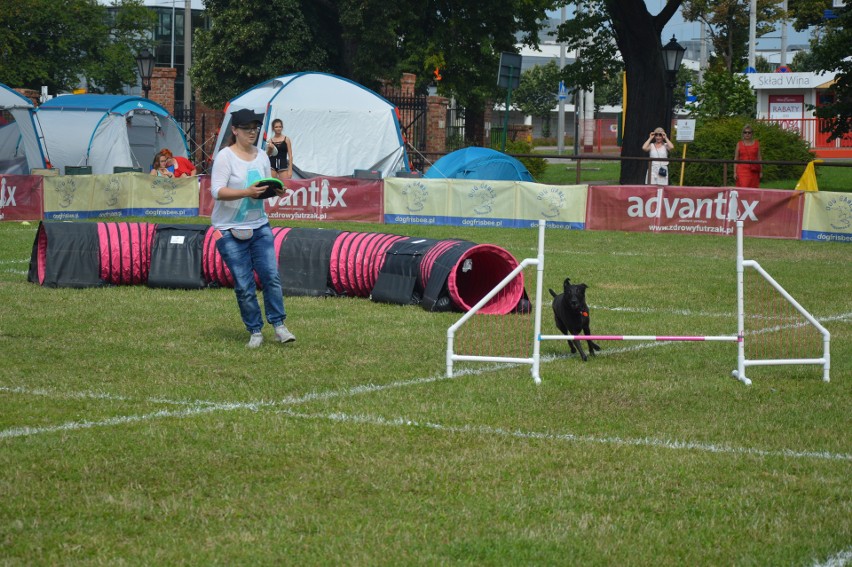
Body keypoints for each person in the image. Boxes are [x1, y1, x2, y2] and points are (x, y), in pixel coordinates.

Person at [210, 108, 295, 348]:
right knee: (244, 284)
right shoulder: (225, 157)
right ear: (235, 130)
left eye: (255, 129)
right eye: (247, 129)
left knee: (271, 276)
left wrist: (275, 191)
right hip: (228, 230)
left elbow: (263, 189)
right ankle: (255, 331)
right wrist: (246, 192)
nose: (252, 132)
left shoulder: (261, 156)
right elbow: (217, 192)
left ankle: (279, 326)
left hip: (260, 226)